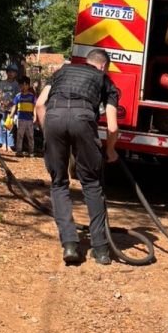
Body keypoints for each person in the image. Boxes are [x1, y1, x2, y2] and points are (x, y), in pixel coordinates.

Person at [35, 49, 119, 265]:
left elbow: (40, 105)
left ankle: (70, 245)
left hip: (53, 118)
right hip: (83, 120)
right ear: (103, 66)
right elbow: (112, 127)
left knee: (59, 183)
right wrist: (110, 150)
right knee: (91, 183)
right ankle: (101, 250)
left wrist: (48, 133)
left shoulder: (62, 72)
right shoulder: (105, 80)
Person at [0, 64, 19, 152]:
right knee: (1, 125)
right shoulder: (1, 83)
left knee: (9, 126)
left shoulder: (16, 85)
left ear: (16, 74)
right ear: (6, 72)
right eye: (9, 71)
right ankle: (1, 143)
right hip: (2, 107)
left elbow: (17, 96)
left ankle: (9, 144)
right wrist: (1, 101)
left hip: (11, 108)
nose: (10, 73)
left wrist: (11, 102)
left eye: (13, 72)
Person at [12, 76, 36, 157]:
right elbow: (14, 106)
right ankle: (19, 151)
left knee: (30, 136)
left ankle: (31, 152)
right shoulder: (18, 96)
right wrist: (11, 115)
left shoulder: (32, 96)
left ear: (28, 85)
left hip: (29, 119)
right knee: (20, 135)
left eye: (25, 84)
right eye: (22, 85)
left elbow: (35, 106)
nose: (23, 86)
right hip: (20, 119)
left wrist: (35, 116)